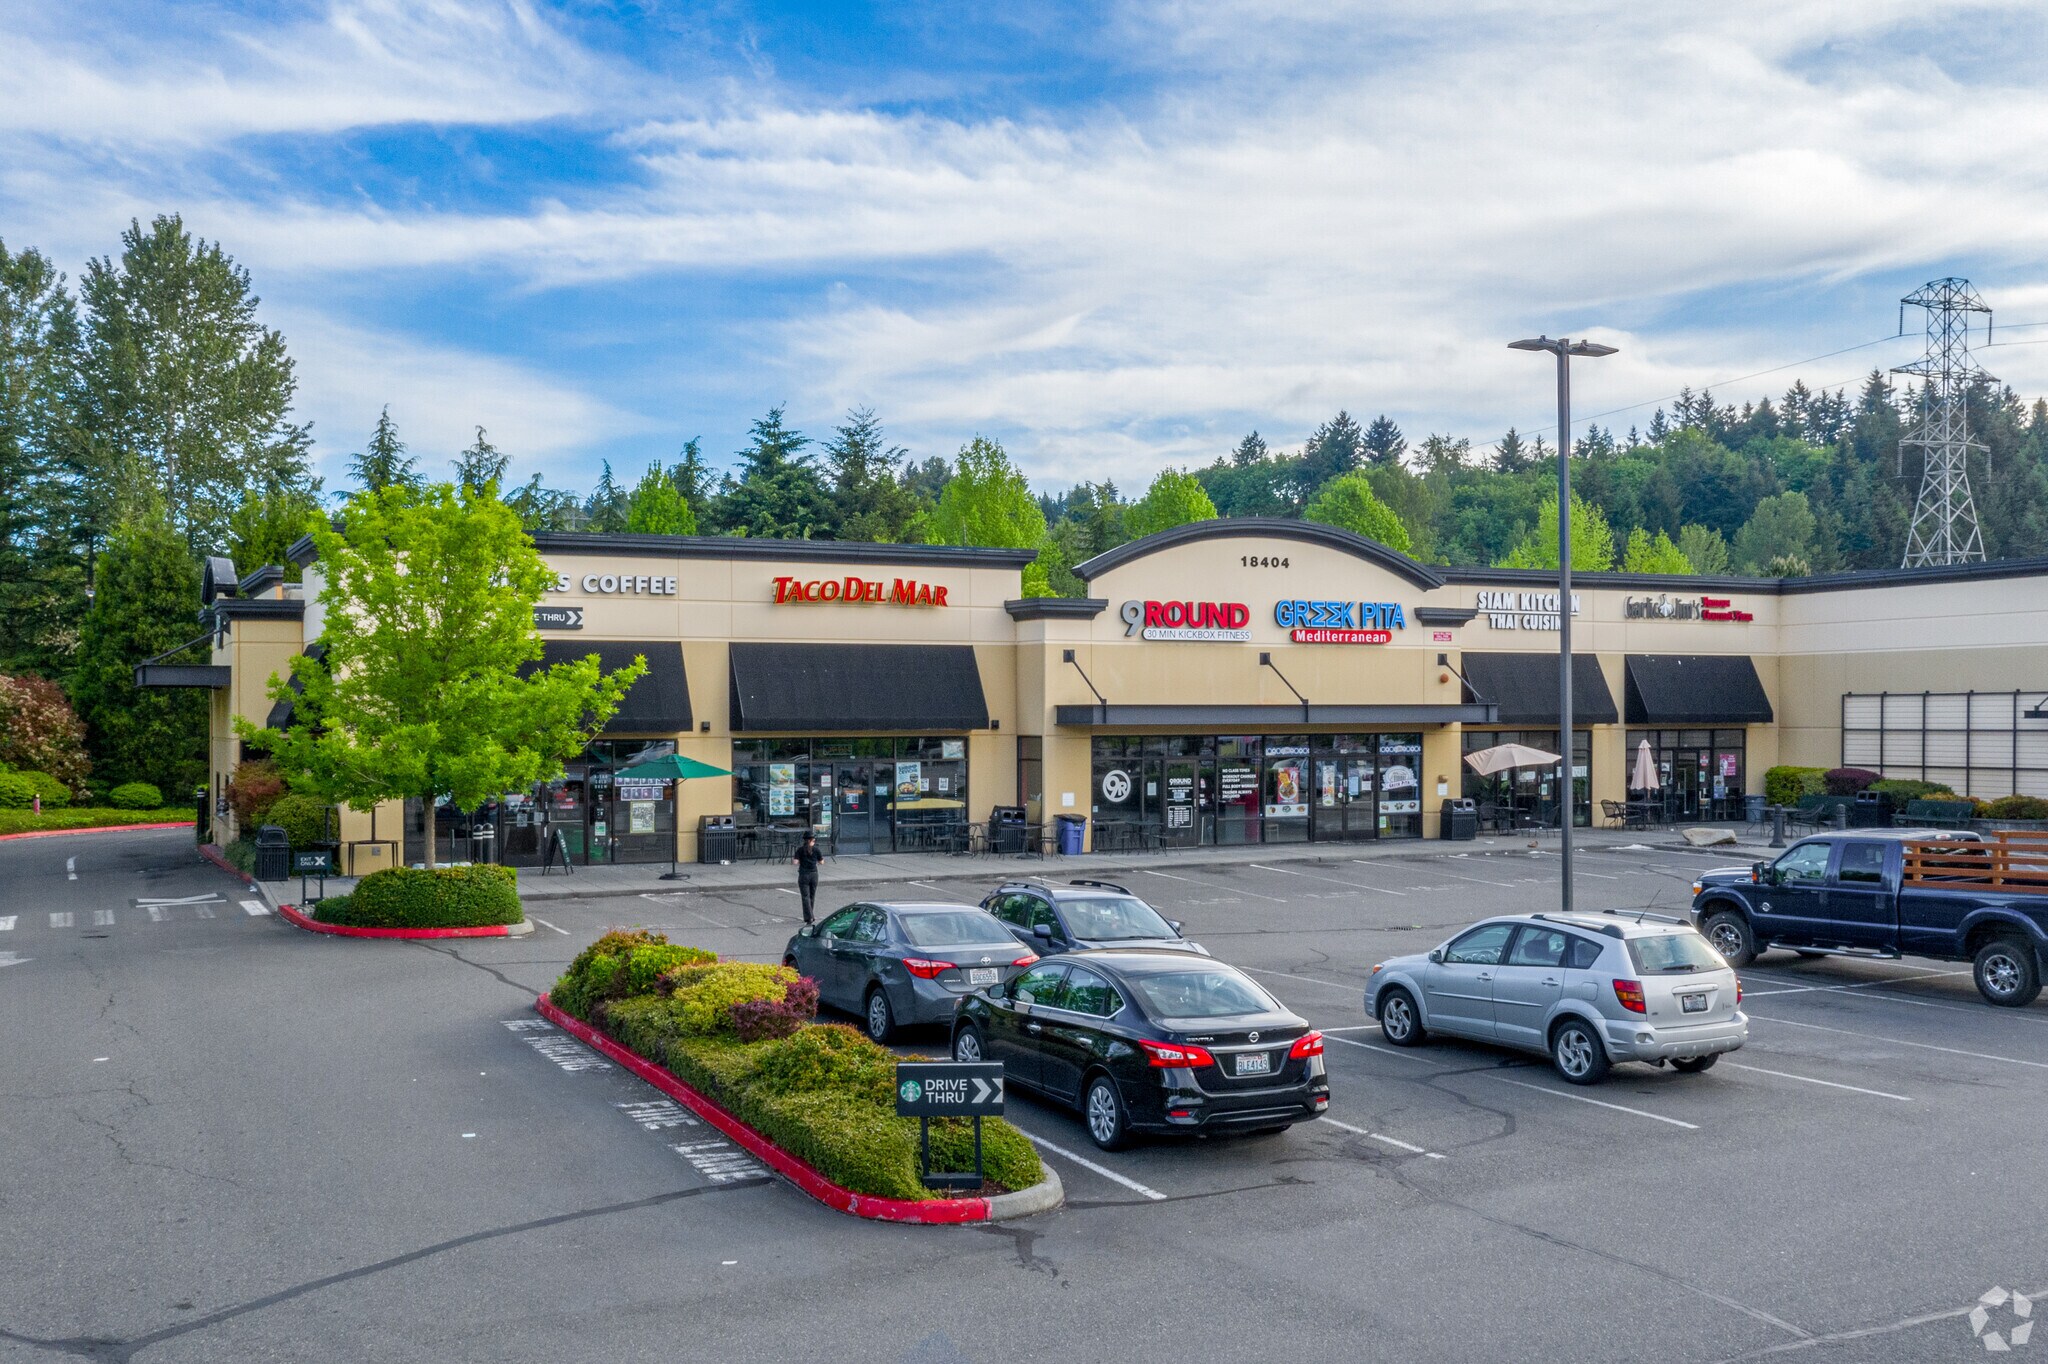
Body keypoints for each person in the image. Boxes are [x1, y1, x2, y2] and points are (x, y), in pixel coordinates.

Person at [793, 831, 824, 924]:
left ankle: (809, 917)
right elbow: (821, 862)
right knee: (812, 896)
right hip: (814, 874)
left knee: (805, 897)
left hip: (803, 875)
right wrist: (815, 861)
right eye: (814, 840)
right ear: (811, 840)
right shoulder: (816, 850)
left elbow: (795, 862)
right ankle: (810, 915)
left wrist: (801, 861)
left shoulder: (800, 850)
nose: (814, 841)